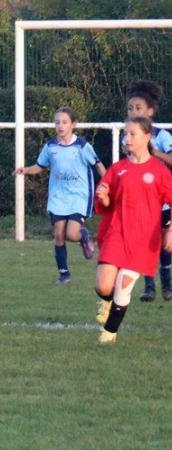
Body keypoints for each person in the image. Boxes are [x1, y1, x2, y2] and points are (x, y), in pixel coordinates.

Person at [94, 117, 172, 343]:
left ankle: (108, 334)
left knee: (123, 284)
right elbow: (106, 205)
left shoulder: (159, 171)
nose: (126, 138)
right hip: (117, 232)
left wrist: (170, 231)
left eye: (131, 134)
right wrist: (104, 196)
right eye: (124, 134)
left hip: (144, 238)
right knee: (103, 285)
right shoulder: (118, 169)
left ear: (147, 137)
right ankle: (107, 302)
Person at [12, 107, 106, 284]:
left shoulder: (83, 146)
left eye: (64, 122)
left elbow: (98, 165)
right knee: (59, 233)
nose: (60, 126)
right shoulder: (50, 147)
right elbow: (40, 166)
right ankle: (64, 274)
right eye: (57, 122)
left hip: (79, 196)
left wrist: (109, 183)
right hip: (58, 197)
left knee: (72, 233)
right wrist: (25, 170)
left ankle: (83, 236)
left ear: (73, 124)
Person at [125, 81, 172, 301]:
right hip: (141, 199)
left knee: (165, 243)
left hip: (162, 197)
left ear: (150, 111)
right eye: (130, 108)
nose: (133, 112)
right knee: (145, 242)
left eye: (138, 108)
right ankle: (149, 287)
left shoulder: (161, 136)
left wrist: (154, 153)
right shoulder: (129, 136)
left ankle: (167, 283)